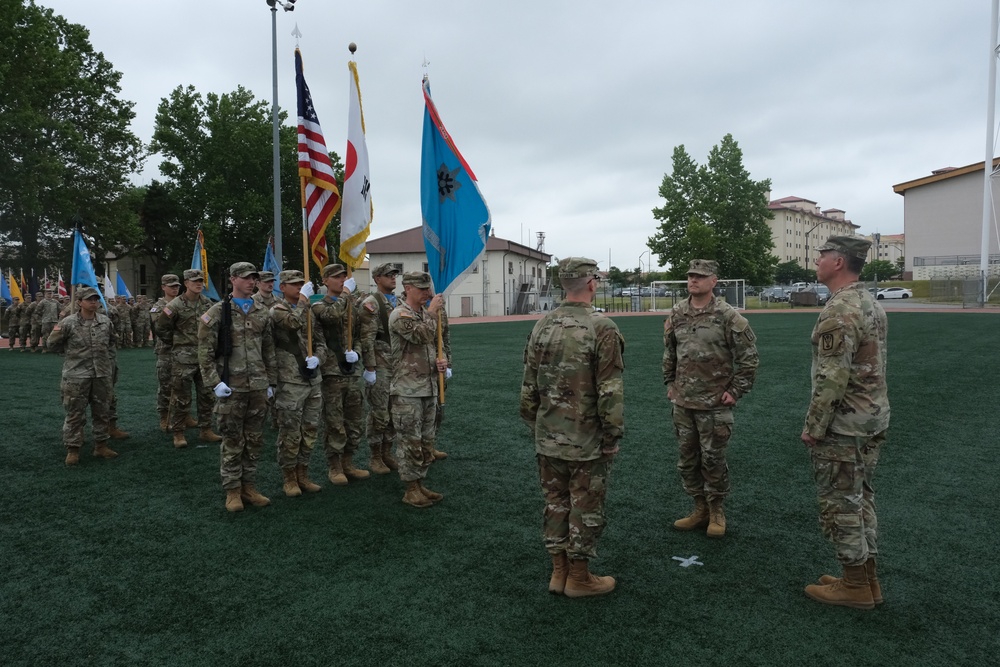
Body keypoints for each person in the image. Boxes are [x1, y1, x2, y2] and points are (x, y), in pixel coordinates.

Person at [521, 257, 624, 597]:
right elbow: (609, 388)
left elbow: (528, 384)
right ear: (592, 283)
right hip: (586, 438)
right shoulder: (602, 327)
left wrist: (536, 423)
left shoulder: (542, 325)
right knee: (585, 504)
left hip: (548, 435)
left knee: (555, 502)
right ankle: (578, 576)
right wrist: (612, 434)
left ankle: (558, 572)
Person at [801, 236, 890, 610]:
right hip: (871, 419)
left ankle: (854, 585)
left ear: (838, 262)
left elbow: (832, 377)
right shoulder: (868, 301)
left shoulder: (841, 310)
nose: (817, 259)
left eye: (822, 255)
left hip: (845, 424)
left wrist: (814, 426)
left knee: (841, 503)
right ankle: (867, 580)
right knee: (861, 498)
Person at [663, 259, 759, 538]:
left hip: (715, 404)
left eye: (700, 277)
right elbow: (670, 351)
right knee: (687, 460)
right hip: (683, 403)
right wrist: (670, 382)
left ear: (713, 282)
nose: (693, 281)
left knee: (713, 460)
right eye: (691, 276)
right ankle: (698, 508)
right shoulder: (678, 312)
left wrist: (737, 390)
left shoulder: (728, 316)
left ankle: (716, 509)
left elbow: (749, 359)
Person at [199, 262, 278, 512]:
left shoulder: (262, 312)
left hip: (257, 386)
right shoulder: (217, 312)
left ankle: (249, 486)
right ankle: (232, 490)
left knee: (254, 440)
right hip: (231, 387)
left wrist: (270, 382)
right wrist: (214, 383)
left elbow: (268, 350)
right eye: (245, 278)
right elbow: (204, 352)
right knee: (233, 441)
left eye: (254, 278)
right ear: (232, 279)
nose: (251, 282)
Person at [388, 271, 449, 508]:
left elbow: (431, 344)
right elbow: (421, 335)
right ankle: (410, 488)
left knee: (426, 440)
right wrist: (433, 312)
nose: (428, 293)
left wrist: (439, 362)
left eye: (428, 288)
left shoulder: (423, 314)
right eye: (423, 289)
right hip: (407, 390)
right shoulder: (400, 314)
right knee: (409, 441)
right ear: (408, 288)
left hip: (428, 386)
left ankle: (419, 482)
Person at [47, 286, 119, 464]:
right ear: (79, 302)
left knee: (102, 412)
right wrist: (70, 355)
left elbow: (111, 343)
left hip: (101, 375)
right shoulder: (68, 323)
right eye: (89, 299)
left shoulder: (105, 321)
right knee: (75, 414)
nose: (93, 302)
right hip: (76, 376)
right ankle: (73, 449)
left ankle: (100, 446)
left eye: (95, 299)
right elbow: (51, 343)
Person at [312, 263, 369, 486]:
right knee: (334, 421)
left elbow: (357, 334)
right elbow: (331, 317)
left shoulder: (351, 307)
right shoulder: (318, 306)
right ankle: (334, 466)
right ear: (325, 281)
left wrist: (357, 351)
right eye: (336, 277)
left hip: (351, 372)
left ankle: (348, 462)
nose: (342, 280)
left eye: (344, 277)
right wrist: (346, 295)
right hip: (331, 373)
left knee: (354, 420)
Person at [270, 269, 326, 496]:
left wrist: (318, 358)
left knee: (310, 429)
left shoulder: (310, 311)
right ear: (282, 287)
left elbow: (321, 341)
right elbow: (292, 323)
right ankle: (289, 477)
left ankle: (303, 472)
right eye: (294, 284)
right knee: (290, 432)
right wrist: (304, 300)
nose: (299, 287)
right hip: (290, 381)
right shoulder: (277, 310)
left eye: (301, 284)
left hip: (312, 379)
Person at [156, 269, 221, 447]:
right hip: (182, 359)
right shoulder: (174, 305)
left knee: (207, 395)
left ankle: (206, 429)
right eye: (194, 281)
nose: (199, 284)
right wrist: (177, 343)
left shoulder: (207, 303)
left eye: (201, 281)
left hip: (204, 357)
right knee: (181, 397)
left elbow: (213, 327)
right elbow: (161, 328)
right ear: (186, 283)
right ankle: (178, 433)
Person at [358, 263, 401, 474]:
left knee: (394, 411)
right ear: (377, 278)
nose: (393, 278)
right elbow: (366, 338)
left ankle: (387, 452)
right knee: (379, 412)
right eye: (388, 275)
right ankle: (375, 456)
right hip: (381, 365)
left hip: (399, 365)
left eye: (394, 275)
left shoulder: (400, 302)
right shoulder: (371, 303)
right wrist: (370, 367)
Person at [150, 275, 181, 431]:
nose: (175, 288)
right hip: (166, 350)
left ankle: (183, 415)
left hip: (183, 351)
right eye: (171, 286)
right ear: (163, 287)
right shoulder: (158, 306)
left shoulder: (183, 302)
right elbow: (160, 326)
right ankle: (164, 416)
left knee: (182, 386)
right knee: (166, 385)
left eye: (176, 286)